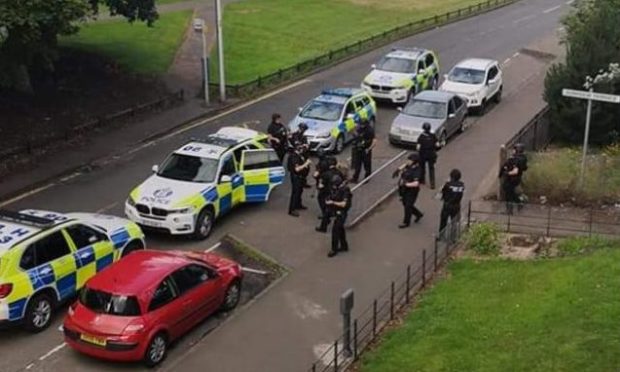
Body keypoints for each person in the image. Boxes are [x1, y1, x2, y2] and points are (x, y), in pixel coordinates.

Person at [393, 152, 424, 228]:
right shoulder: (409, 165)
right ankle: (418, 214)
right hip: (404, 190)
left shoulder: (417, 170)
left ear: (415, 162)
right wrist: (398, 170)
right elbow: (404, 165)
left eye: (410, 160)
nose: (408, 161)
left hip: (412, 191)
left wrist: (406, 184)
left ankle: (406, 222)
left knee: (408, 206)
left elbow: (416, 183)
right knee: (405, 204)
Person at [326, 174, 352, 257]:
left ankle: (334, 249)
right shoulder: (337, 189)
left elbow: (344, 204)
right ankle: (344, 245)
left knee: (335, 231)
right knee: (340, 229)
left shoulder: (345, 190)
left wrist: (333, 203)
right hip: (337, 211)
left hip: (341, 213)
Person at [316, 156, 343, 233]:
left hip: (327, 193)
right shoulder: (339, 172)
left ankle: (323, 227)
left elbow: (321, 185)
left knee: (326, 209)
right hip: (337, 193)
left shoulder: (325, 174)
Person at [438, 169, 465, 241]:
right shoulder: (462, 185)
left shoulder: (448, 185)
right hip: (456, 205)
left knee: (443, 220)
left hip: (447, 205)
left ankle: (441, 236)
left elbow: (443, 191)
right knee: (454, 222)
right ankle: (453, 238)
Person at [287, 144, 312, 217]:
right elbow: (297, 169)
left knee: (300, 191)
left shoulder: (300, 155)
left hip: (301, 177)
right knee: (295, 192)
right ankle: (292, 209)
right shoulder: (294, 157)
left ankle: (298, 204)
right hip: (296, 177)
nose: (302, 149)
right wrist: (306, 164)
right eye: (301, 148)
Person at [349, 119, 377, 183]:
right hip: (359, 149)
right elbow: (357, 136)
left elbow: (374, 141)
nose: (360, 125)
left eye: (362, 124)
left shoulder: (370, 130)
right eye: (360, 124)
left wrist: (369, 149)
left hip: (366, 150)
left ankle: (367, 178)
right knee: (357, 165)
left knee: (367, 165)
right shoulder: (359, 128)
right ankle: (355, 178)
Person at [416, 122, 440, 189]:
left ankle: (422, 180)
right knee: (431, 169)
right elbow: (438, 144)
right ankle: (432, 184)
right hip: (431, 155)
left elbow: (418, 147)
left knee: (422, 168)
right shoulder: (433, 135)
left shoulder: (421, 137)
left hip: (423, 155)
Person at [291, 123, 312, 188]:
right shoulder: (295, 135)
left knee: (306, 169)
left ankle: (304, 181)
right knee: (300, 168)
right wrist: (303, 145)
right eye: (303, 129)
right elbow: (296, 145)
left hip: (304, 153)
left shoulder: (303, 136)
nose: (304, 131)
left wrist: (306, 146)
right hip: (298, 154)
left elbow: (306, 144)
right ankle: (301, 182)